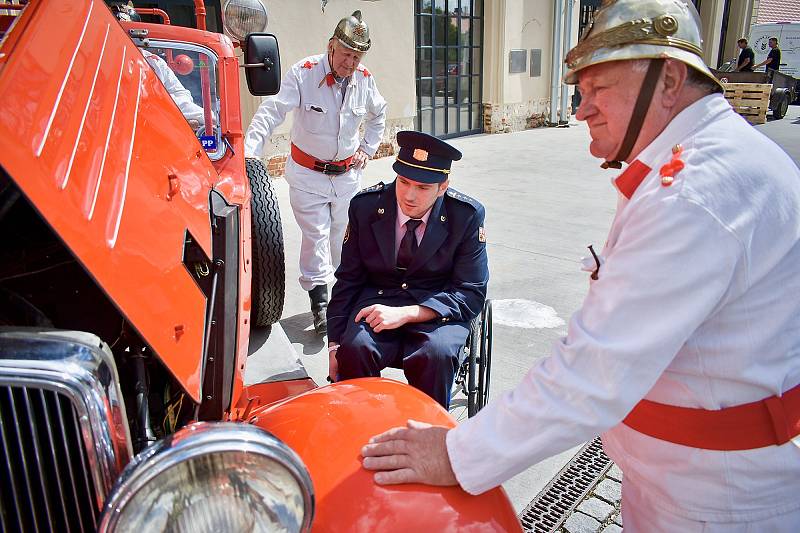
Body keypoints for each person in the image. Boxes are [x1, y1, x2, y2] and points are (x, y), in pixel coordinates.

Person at [361, 1, 800, 531]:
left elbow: (594, 372)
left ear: (669, 81)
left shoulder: (694, 192)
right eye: (580, 90)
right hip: (684, 478)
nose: (581, 109)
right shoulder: (692, 167)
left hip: (716, 499)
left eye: (599, 89)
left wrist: (456, 454)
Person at [244, 11, 387, 335]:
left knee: (344, 239)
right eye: (347, 54)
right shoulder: (305, 73)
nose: (351, 63)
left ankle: (345, 296)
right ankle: (320, 302)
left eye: (357, 56)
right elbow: (272, 111)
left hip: (347, 176)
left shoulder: (364, 78)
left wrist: (367, 148)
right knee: (316, 236)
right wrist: (250, 152)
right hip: (308, 177)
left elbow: (380, 113)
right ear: (331, 47)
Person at [326, 131, 488, 408]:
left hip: (435, 307)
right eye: (403, 181)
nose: (409, 195)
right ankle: (361, 430)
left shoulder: (465, 216)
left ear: (443, 186)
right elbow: (348, 279)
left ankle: (429, 438)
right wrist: (334, 344)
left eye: (423, 187)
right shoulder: (366, 207)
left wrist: (408, 314)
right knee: (354, 349)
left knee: (436, 355)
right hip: (378, 299)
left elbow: (471, 291)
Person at [110, 2, 206, 128]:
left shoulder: (154, 62)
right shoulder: (97, 60)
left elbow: (181, 95)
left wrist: (160, 102)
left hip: (158, 125)